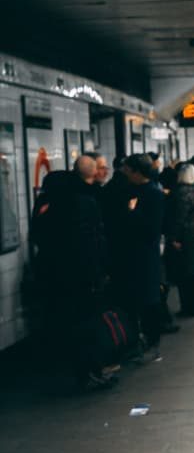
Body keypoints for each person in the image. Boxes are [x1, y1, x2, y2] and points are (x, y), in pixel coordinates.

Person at [30, 158, 110, 389]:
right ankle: (91, 370)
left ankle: (69, 367)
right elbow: (95, 240)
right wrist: (101, 269)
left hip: (53, 274)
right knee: (87, 322)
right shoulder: (84, 203)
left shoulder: (44, 206)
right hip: (83, 274)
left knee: (63, 320)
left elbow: (37, 236)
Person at [120, 154, 165, 359]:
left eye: (127, 170)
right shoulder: (131, 190)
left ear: (137, 171)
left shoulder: (153, 194)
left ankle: (152, 340)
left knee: (149, 298)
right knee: (138, 298)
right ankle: (140, 340)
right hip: (133, 254)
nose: (124, 173)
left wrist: (132, 212)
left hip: (146, 254)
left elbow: (153, 228)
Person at [166, 164, 194, 316]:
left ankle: (189, 307)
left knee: (185, 273)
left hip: (187, 235)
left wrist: (174, 237)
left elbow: (178, 218)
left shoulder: (181, 194)